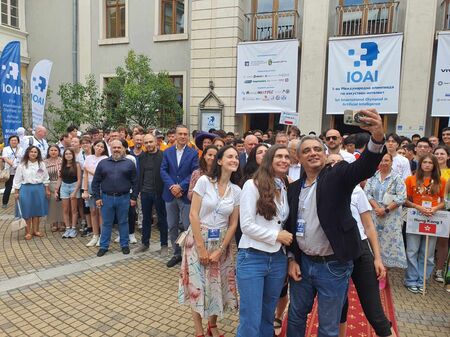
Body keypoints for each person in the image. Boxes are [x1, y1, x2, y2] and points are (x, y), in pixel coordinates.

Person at [285, 109, 385, 337]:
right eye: (307, 150)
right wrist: (292, 258)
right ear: (298, 158)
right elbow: (289, 227)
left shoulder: (337, 175)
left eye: (317, 149)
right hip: (303, 263)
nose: (313, 153)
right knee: (296, 316)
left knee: (329, 326)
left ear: (325, 153)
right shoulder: (292, 189)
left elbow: (365, 167)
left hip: (333, 267)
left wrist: (377, 135)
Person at [328, 154, 394, 337]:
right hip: (336, 254)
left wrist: (377, 258)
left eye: (338, 162)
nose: (334, 165)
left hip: (361, 250)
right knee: (340, 307)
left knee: (374, 311)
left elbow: (368, 226)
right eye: (330, 162)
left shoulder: (356, 191)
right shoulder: (320, 191)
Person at [179, 145, 240, 337]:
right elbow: (193, 214)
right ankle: (199, 331)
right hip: (198, 238)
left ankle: (212, 325)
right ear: (219, 161)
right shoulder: (204, 181)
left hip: (222, 241)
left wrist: (221, 250)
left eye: (237, 157)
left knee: (219, 285)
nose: (234, 159)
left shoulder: (236, 190)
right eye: (230, 156)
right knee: (196, 286)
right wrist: (201, 247)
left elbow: (233, 224)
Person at [236, 144, 293, 337]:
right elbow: (246, 225)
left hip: (277, 260)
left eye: (287, 156)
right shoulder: (252, 185)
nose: (284, 160)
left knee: (267, 316)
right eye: (279, 156)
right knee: (250, 318)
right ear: (269, 159)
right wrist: (276, 236)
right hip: (252, 257)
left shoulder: (284, 187)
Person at [404, 154, 445, 294]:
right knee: (412, 250)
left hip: (433, 218)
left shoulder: (442, 181)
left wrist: (434, 208)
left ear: (434, 165)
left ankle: (423, 280)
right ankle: (411, 280)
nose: (427, 165)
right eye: (424, 162)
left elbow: (445, 201)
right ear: (420, 164)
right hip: (415, 218)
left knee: (427, 253)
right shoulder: (411, 179)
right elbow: (405, 200)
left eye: (430, 162)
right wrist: (418, 207)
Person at [161, 125, 199, 267]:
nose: (183, 136)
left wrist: (181, 186)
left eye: (186, 134)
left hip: (185, 195)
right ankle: (176, 253)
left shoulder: (193, 153)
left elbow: (194, 172)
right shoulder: (167, 152)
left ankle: (188, 254)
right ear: (175, 135)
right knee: (172, 226)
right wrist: (172, 186)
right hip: (170, 195)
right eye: (180, 134)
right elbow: (163, 171)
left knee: (188, 227)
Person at [364, 153, 408, 280]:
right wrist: (377, 208)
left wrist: (386, 209)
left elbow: (401, 197)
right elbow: (367, 193)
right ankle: (374, 272)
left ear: (391, 162)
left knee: (388, 244)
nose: (383, 163)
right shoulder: (372, 176)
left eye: (386, 160)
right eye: (381, 160)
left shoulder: (397, 178)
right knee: (373, 242)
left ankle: (384, 274)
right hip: (374, 215)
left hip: (391, 217)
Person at [92, 140, 138, 256]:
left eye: (119, 147)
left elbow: (136, 182)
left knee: (123, 222)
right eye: (114, 148)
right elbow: (95, 182)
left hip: (124, 198)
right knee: (107, 223)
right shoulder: (103, 163)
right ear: (110, 149)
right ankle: (103, 246)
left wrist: (133, 197)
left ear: (123, 148)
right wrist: (97, 197)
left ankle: (124, 245)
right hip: (106, 198)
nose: (116, 149)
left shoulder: (129, 163)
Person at [135, 133, 169, 255]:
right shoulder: (142, 157)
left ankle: (164, 245)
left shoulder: (163, 156)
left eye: (151, 142)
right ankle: (145, 243)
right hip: (145, 192)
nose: (149, 144)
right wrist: (138, 191)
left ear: (156, 142)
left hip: (159, 192)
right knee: (146, 219)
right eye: (146, 143)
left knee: (162, 218)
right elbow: (139, 175)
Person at [13, 146, 50, 240]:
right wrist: (16, 192)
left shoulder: (41, 164)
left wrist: (47, 190)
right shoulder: (22, 165)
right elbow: (17, 179)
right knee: (27, 210)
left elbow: (45, 177)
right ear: (28, 153)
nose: (33, 153)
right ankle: (28, 232)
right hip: (26, 189)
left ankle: (36, 230)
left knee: (37, 211)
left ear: (38, 154)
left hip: (39, 189)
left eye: (35, 152)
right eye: (31, 152)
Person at [235, 143, 269, 246]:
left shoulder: (278, 180)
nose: (264, 154)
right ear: (253, 158)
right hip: (251, 237)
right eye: (260, 152)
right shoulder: (248, 182)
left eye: (266, 152)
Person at [82, 140, 108, 247]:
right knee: (92, 211)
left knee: (101, 212)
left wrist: (88, 169)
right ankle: (95, 235)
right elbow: (85, 175)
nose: (99, 148)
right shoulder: (88, 158)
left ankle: (102, 236)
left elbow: (101, 175)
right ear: (94, 146)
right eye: (98, 146)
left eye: (102, 147)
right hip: (90, 186)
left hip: (101, 187)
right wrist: (85, 190)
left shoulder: (105, 159)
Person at [56, 148, 82, 239]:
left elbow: (79, 179)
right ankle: (68, 228)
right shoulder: (62, 165)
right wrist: (56, 190)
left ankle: (73, 228)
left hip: (74, 186)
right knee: (65, 209)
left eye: (70, 154)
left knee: (74, 209)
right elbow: (60, 178)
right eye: (66, 154)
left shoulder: (77, 165)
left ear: (73, 155)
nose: (68, 155)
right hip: (64, 187)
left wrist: (75, 191)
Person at [433, 145, 450, 283]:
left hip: (445, 210)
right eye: (436, 153)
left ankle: (439, 270)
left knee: (443, 241)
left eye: (442, 153)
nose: (439, 156)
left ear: (448, 156)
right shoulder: (428, 170)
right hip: (427, 210)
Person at [44, 145, 64, 232]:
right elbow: (40, 174)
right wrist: (46, 188)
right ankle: (54, 223)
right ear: (48, 152)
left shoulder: (63, 160)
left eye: (55, 150)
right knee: (52, 205)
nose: (53, 152)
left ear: (59, 151)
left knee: (62, 205)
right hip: (50, 184)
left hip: (63, 184)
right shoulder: (44, 162)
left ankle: (63, 223)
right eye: (51, 150)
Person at [2, 135, 24, 208]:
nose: (14, 141)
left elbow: (23, 159)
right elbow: (5, 158)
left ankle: (20, 203)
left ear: (18, 141)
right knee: (8, 187)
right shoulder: (6, 149)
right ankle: (5, 203)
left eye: (15, 140)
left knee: (20, 188)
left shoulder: (21, 149)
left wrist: (19, 167)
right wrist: (14, 165)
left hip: (19, 172)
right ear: (9, 141)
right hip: (10, 172)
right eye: (12, 140)